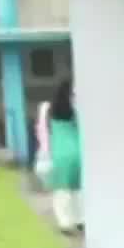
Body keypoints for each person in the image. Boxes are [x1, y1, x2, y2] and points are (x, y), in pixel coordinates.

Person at [47, 80, 83, 235]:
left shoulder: (51, 111)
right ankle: (81, 220)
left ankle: (65, 222)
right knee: (78, 189)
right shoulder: (77, 111)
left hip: (60, 154)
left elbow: (45, 133)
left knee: (62, 190)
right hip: (79, 152)